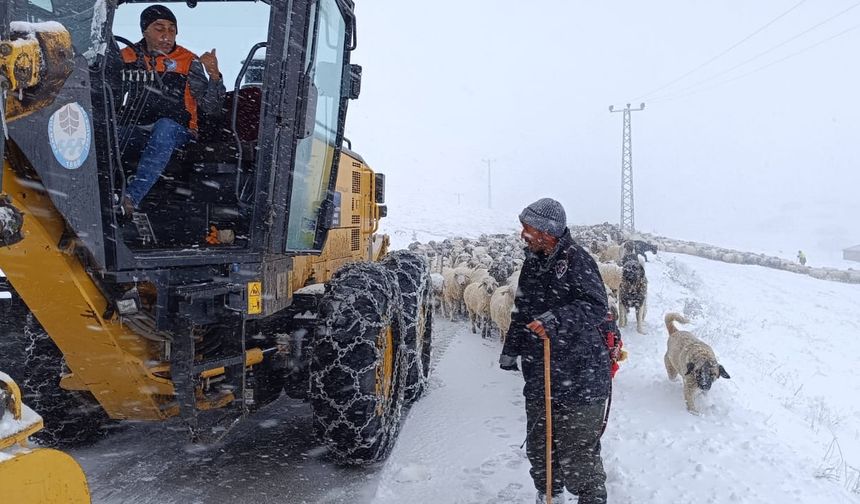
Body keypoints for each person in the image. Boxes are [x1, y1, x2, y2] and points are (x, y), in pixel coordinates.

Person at [499, 198, 611, 504]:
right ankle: (549, 494)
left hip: (580, 375)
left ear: (547, 232)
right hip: (541, 372)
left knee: (577, 452)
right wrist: (512, 348)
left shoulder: (577, 261)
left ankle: (591, 499)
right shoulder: (532, 262)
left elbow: (597, 306)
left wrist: (556, 320)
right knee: (540, 446)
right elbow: (522, 308)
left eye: (528, 228)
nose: (523, 234)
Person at [115, 5, 225, 215]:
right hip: (136, 129)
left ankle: (130, 199)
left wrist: (214, 77)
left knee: (164, 127)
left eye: (172, 30)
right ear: (144, 30)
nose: (167, 35)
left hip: (179, 132)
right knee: (105, 134)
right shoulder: (125, 57)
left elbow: (212, 108)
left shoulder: (188, 61)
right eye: (159, 28)